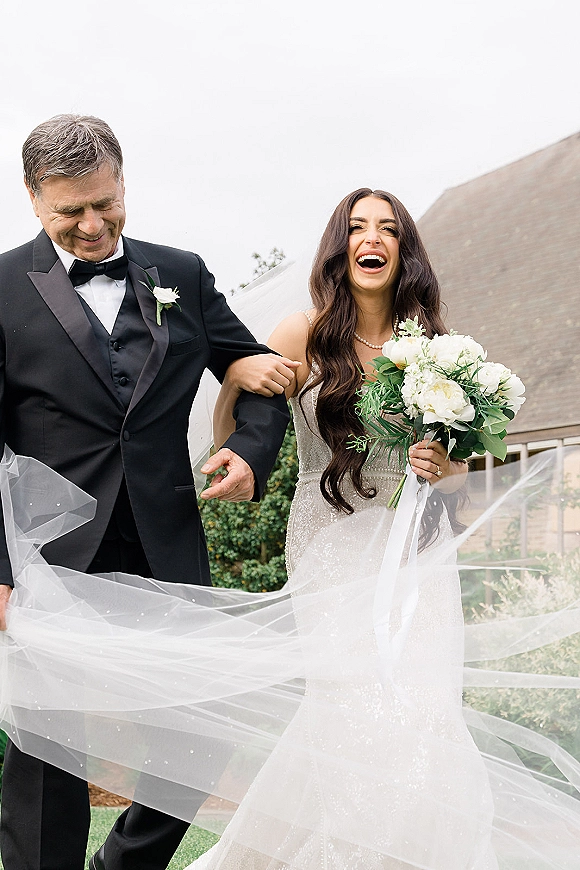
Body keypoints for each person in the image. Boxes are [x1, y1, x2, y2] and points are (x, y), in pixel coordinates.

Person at [0, 114, 290, 870]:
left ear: (123, 180)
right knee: (48, 752)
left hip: (167, 546)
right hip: (48, 558)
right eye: (71, 212)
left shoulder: (181, 274)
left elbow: (261, 376)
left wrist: (250, 449)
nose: (93, 225)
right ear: (33, 198)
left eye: (106, 203)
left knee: (199, 736)